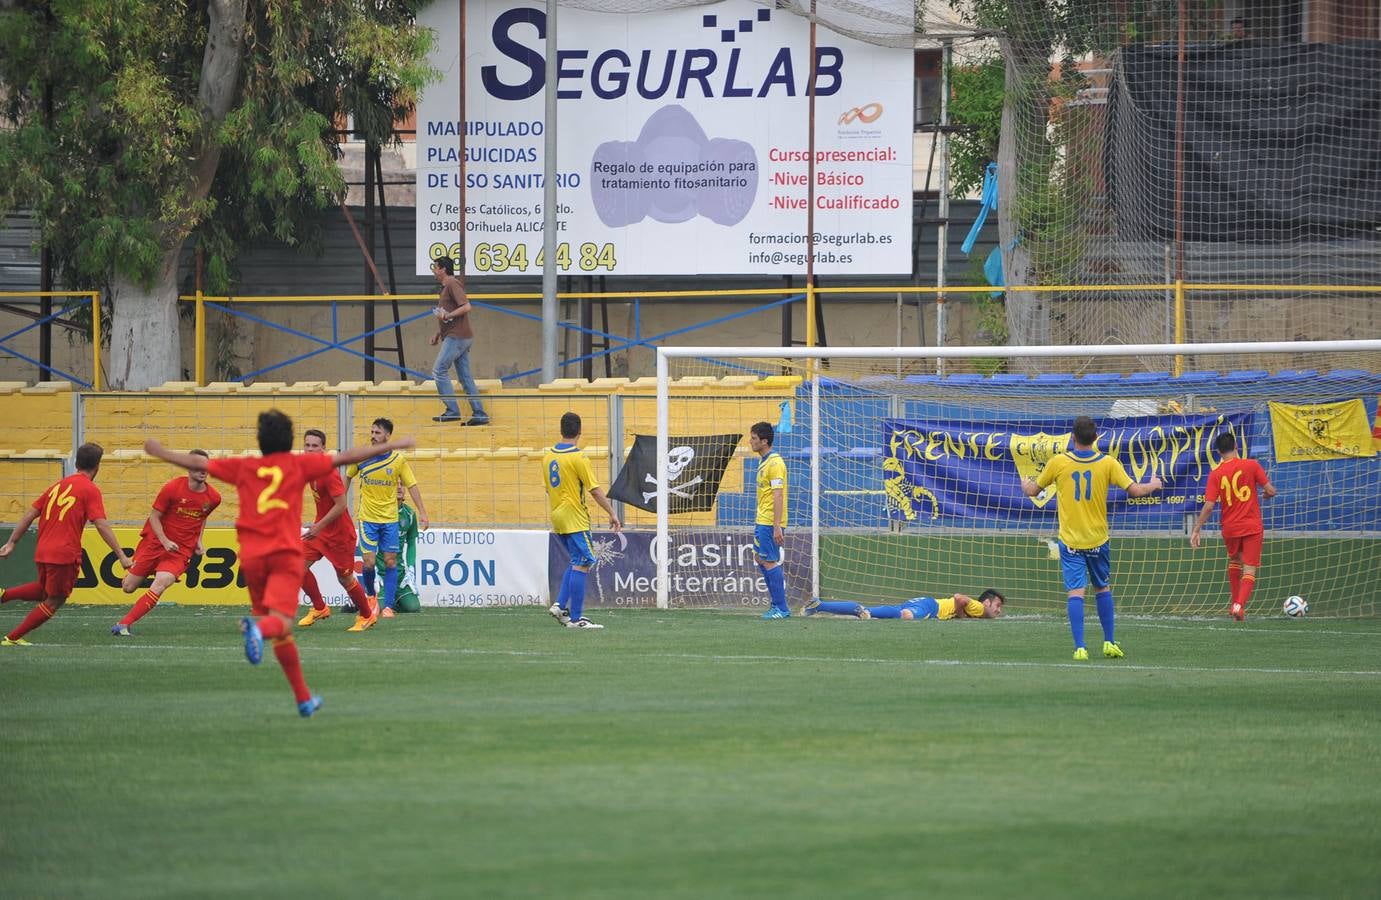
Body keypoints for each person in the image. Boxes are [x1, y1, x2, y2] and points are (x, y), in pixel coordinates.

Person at [145, 409, 415, 717]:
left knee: (282, 633)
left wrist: (161, 452)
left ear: (260, 441)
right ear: (291, 442)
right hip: (282, 554)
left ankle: (303, 698)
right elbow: (348, 456)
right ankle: (260, 630)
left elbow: (199, 463)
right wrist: (392, 445)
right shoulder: (298, 465)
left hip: (251, 556)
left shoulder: (245, 466)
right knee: (278, 623)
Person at [1022, 415, 1162, 661]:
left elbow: (1034, 491)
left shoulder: (1058, 462)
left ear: (1072, 437)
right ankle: (1108, 642)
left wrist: (1025, 483)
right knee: (1102, 588)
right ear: (1096, 438)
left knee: (1076, 592)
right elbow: (1136, 491)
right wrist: (1154, 484)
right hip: (1098, 539)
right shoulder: (1107, 463)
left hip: (1071, 541)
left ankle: (1080, 648)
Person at [0, 443, 133, 646]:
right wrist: (121, 556)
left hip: (43, 549)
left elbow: (30, 514)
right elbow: (101, 524)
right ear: (97, 467)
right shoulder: (89, 489)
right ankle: (12, 638)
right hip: (63, 554)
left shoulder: (58, 486)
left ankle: (3, 595)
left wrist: (12, 542)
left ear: (76, 463)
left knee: (45, 592)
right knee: (55, 600)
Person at [112, 449, 221, 636]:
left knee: (162, 582)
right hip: (155, 543)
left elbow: (202, 517)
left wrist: (199, 540)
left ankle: (124, 624)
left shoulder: (214, 498)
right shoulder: (172, 488)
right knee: (128, 587)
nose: (202, 470)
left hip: (181, 550)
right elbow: (154, 517)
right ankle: (141, 570)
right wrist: (164, 540)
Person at [345, 417, 430, 619]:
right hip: (367, 518)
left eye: (377, 433)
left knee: (391, 561)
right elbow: (348, 476)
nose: (373, 436)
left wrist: (423, 512)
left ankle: (388, 607)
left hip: (389, 519)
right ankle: (372, 597)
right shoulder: (362, 456)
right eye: (372, 432)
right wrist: (340, 505)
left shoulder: (398, 460)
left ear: (387, 436)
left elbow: (412, 485)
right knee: (368, 563)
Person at [544, 412, 621, 629]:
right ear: (580, 431)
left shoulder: (547, 456)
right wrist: (612, 513)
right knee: (585, 562)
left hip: (558, 514)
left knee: (577, 560)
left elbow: (549, 490)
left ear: (561, 430)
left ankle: (560, 605)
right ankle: (576, 619)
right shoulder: (578, 457)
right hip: (575, 517)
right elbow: (595, 491)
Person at [1190, 432, 1277, 621]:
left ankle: (1234, 604)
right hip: (1252, 525)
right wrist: (1267, 495)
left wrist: (1197, 528)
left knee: (1234, 562)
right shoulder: (1252, 465)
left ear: (1219, 452)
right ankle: (1239, 605)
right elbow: (1270, 490)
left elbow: (1210, 505)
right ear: (1236, 446)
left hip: (1230, 527)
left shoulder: (1216, 474)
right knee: (1250, 568)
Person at [297, 428, 376, 632]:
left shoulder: (328, 473)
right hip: (320, 531)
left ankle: (367, 615)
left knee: (345, 578)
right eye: (307, 445)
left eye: (315, 446)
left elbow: (341, 505)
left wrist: (318, 526)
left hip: (339, 536)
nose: (310, 449)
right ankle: (320, 608)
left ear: (323, 449)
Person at [429, 255, 489, 425]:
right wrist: (438, 333)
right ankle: (480, 414)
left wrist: (448, 315)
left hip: (457, 337)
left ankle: (452, 410)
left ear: (443, 269)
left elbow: (466, 306)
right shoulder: (445, 287)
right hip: (458, 336)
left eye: (435, 267)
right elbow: (446, 313)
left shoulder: (451, 284)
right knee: (465, 377)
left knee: (439, 370)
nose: (434, 271)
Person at [749, 421, 790, 619]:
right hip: (762, 519)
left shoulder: (775, 463)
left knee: (769, 561)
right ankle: (775, 605)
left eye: (754, 438)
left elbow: (778, 496)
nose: (750, 442)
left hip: (769, 522)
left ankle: (781, 608)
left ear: (764, 441)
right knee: (760, 558)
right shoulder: (764, 461)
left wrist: (777, 527)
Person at [804, 590, 1005, 620]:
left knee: (879, 612)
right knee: (906, 616)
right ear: (986, 602)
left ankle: (819, 606)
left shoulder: (978, 611)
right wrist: (961, 616)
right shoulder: (980, 608)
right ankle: (864, 612)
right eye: (997, 605)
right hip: (930, 608)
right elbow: (959, 597)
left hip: (924, 602)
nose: (998, 610)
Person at [378, 482, 421, 613]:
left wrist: (411, 570)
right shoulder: (378, 513)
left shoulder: (410, 515)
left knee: (413, 608)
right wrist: (373, 569)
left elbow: (411, 544)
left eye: (402, 484)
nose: (398, 487)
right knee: (379, 609)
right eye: (394, 484)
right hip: (381, 574)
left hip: (400, 574)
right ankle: (365, 600)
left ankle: (395, 601)